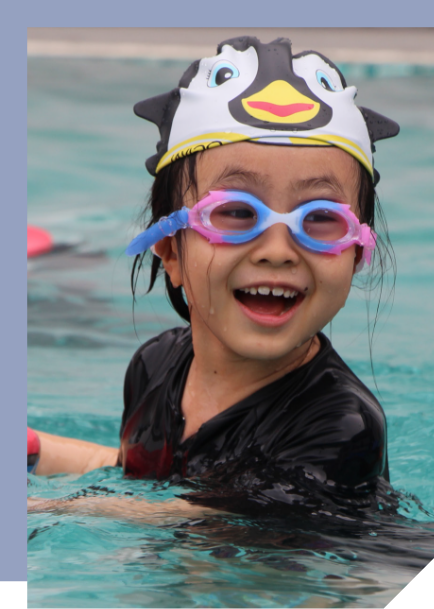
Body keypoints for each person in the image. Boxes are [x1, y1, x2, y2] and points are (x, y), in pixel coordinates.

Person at [28, 36, 400, 520]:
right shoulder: (155, 365)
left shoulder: (341, 424)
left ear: (355, 257)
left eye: (320, 219)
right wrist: (33, 449)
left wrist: (37, 507)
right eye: (236, 212)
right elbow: (141, 482)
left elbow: (217, 524)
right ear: (170, 251)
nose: (277, 251)